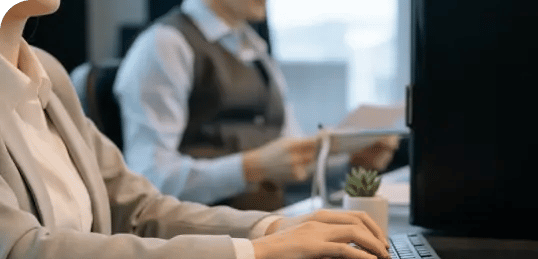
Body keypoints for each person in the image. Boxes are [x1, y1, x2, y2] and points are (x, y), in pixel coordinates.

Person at [0, 0, 390, 259]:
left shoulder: (49, 73)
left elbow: (139, 212)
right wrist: (251, 254)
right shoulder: (166, 44)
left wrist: (271, 230)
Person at [113, 0, 398, 209]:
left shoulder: (257, 51)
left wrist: (352, 163)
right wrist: (252, 168)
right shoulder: (164, 45)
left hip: (269, 229)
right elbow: (149, 178)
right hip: (209, 244)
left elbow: (292, 158)